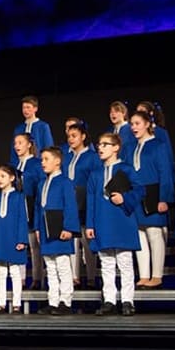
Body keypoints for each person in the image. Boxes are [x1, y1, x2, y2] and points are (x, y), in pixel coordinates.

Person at [87, 133, 142, 317]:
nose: (100, 148)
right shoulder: (95, 174)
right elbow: (91, 200)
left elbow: (140, 190)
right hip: (102, 221)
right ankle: (109, 300)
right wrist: (90, 225)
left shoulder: (126, 169)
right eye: (99, 144)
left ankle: (127, 300)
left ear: (116, 147)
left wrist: (124, 198)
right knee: (107, 263)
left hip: (122, 221)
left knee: (125, 262)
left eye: (105, 144)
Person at [124, 110, 174, 289]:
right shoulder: (130, 147)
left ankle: (157, 275)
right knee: (140, 235)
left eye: (137, 123)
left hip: (154, 193)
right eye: (132, 124)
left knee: (154, 233)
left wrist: (164, 198)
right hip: (136, 195)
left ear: (147, 124)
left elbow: (165, 173)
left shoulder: (158, 145)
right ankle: (144, 275)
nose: (133, 127)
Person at [35, 148, 80, 315]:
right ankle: (53, 301)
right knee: (50, 268)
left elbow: (70, 206)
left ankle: (65, 301)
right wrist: (38, 228)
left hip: (60, 230)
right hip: (46, 230)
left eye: (46, 159)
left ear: (57, 161)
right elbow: (39, 208)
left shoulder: (65, 182)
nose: (43, 163)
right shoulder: (42, 183)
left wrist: (69, 228)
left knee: (62, 266)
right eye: (42, 160)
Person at [62, 123, 99, 289]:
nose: (71, 139)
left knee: (86, 240)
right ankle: (74, 276)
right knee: (72, 241)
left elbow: (95, 180)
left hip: (85, 200)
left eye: (74, 135)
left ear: (83, 136)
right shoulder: (66, 156)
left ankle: (91, 277)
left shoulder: (91, 156)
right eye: (69, 136)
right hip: (70, 202)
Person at [0, 165, 28, 314]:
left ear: (12, 178)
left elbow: (22, 219)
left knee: (15, 272)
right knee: (1, 272)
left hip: (13, 238)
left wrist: (22, 240)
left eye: (3, 176)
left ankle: (17, 304)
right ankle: (1, 304)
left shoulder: (18, 197)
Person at [13, 133, 44, 289]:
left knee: (34, 247)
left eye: (20, 142)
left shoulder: (37, 164)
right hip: (18, 211)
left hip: (31, 208)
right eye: (15, 143)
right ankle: (21, 279)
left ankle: (37, 278)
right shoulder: (14, 165)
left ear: (29, 145)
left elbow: (40, 188)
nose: (17, 146)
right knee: (20, 245)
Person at [10, 95, 53, 166]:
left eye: (28, 107)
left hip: (38, 165)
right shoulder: (18, 128)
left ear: (35, 109)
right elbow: (13, 150)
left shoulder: (43, 126)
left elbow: (48, 147)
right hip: (20, 165)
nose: (25, 110)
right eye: (23, 107)